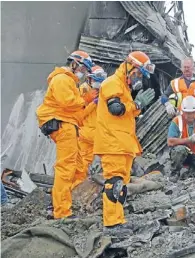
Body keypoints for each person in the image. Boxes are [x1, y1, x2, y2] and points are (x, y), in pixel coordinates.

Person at [93, 51, 155, 236]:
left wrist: (136, 106)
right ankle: (111, 225)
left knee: (121, 184)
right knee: (114, 182)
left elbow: (125, 112)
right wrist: (136, 105)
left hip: (122, 143)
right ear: (129, 66)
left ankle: (118, 221)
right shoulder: (113, 83)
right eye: (137, 73)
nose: (138, 78)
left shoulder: (123, 87)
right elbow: (116, 109)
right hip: (113, 142)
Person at [36, 50, 96, 219]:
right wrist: (86, 99)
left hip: (68, 126)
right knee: (66, 169)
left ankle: (61, 205)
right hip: (64, 126)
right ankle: (61, 212)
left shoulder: (68, 81)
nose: (83, 73)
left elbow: (76, 109)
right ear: (74, 63)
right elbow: (68, 102)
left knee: (76, 168)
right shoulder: (62, 79)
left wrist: (87, 102)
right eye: (83, 69)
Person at [73, 65, 108, 189]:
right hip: (85, 133)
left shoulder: (104, 91)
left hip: (97, 133)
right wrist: (93, 103)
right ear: (90, 79)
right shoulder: (83, 90)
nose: (98, 84)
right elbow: (79, 114)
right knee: (81, 165)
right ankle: (75, 189)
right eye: (96, 80)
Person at [160, 57, 195, 124]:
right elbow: (164, 96)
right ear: (181, 68)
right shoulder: (175, 83)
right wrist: (168, 104)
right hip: (182, 121)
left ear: (193, 68)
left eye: (188, 67)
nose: (186, 69)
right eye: (184, 67)